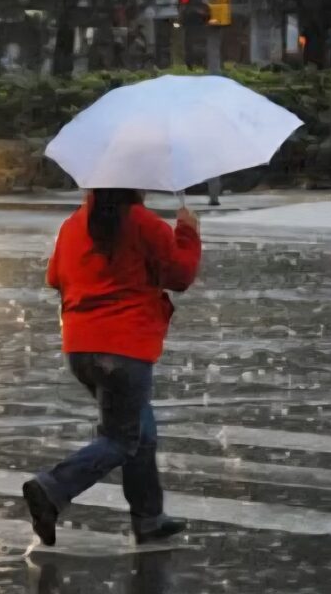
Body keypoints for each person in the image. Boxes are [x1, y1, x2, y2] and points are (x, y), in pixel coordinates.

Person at [22, 188, 202, 546]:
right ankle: (54, 487)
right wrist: (188, 232)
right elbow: (179, 276)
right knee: (121, 438)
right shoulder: (143, 224)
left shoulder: (74, 225)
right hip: (124, 348)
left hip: (80, 346)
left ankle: (149, 518)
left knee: (140, 431)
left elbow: (54, 277)